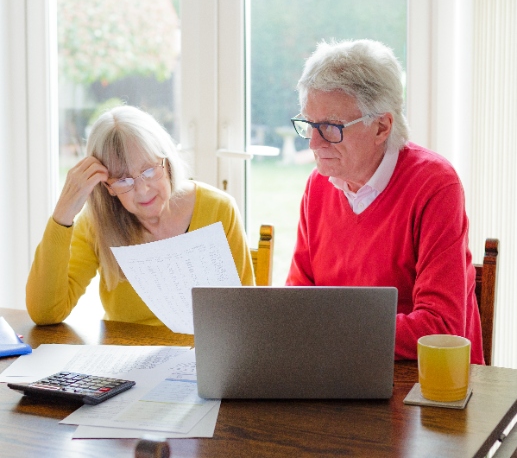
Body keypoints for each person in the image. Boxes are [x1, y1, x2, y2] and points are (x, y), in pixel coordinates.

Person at [286, 39, 484, 364]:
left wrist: (326, 331)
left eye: (331, 127)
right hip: (341, 373)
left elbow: (440, 329)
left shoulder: (435, 185)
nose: (314, 143)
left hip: (425, 384)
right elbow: (298, 301)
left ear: (381, 126)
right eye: (309, 125)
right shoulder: (318, 186)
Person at [27, 105, 254, 326]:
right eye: (124, 180)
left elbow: (246, 312)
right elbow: (46, 313)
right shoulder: (96, 224)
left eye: (149, 170)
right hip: (127, 357)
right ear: (108, 187)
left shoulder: (219, 209)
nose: (143, 190)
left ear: (167, 163)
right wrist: (63, 214)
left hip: (202, 356)